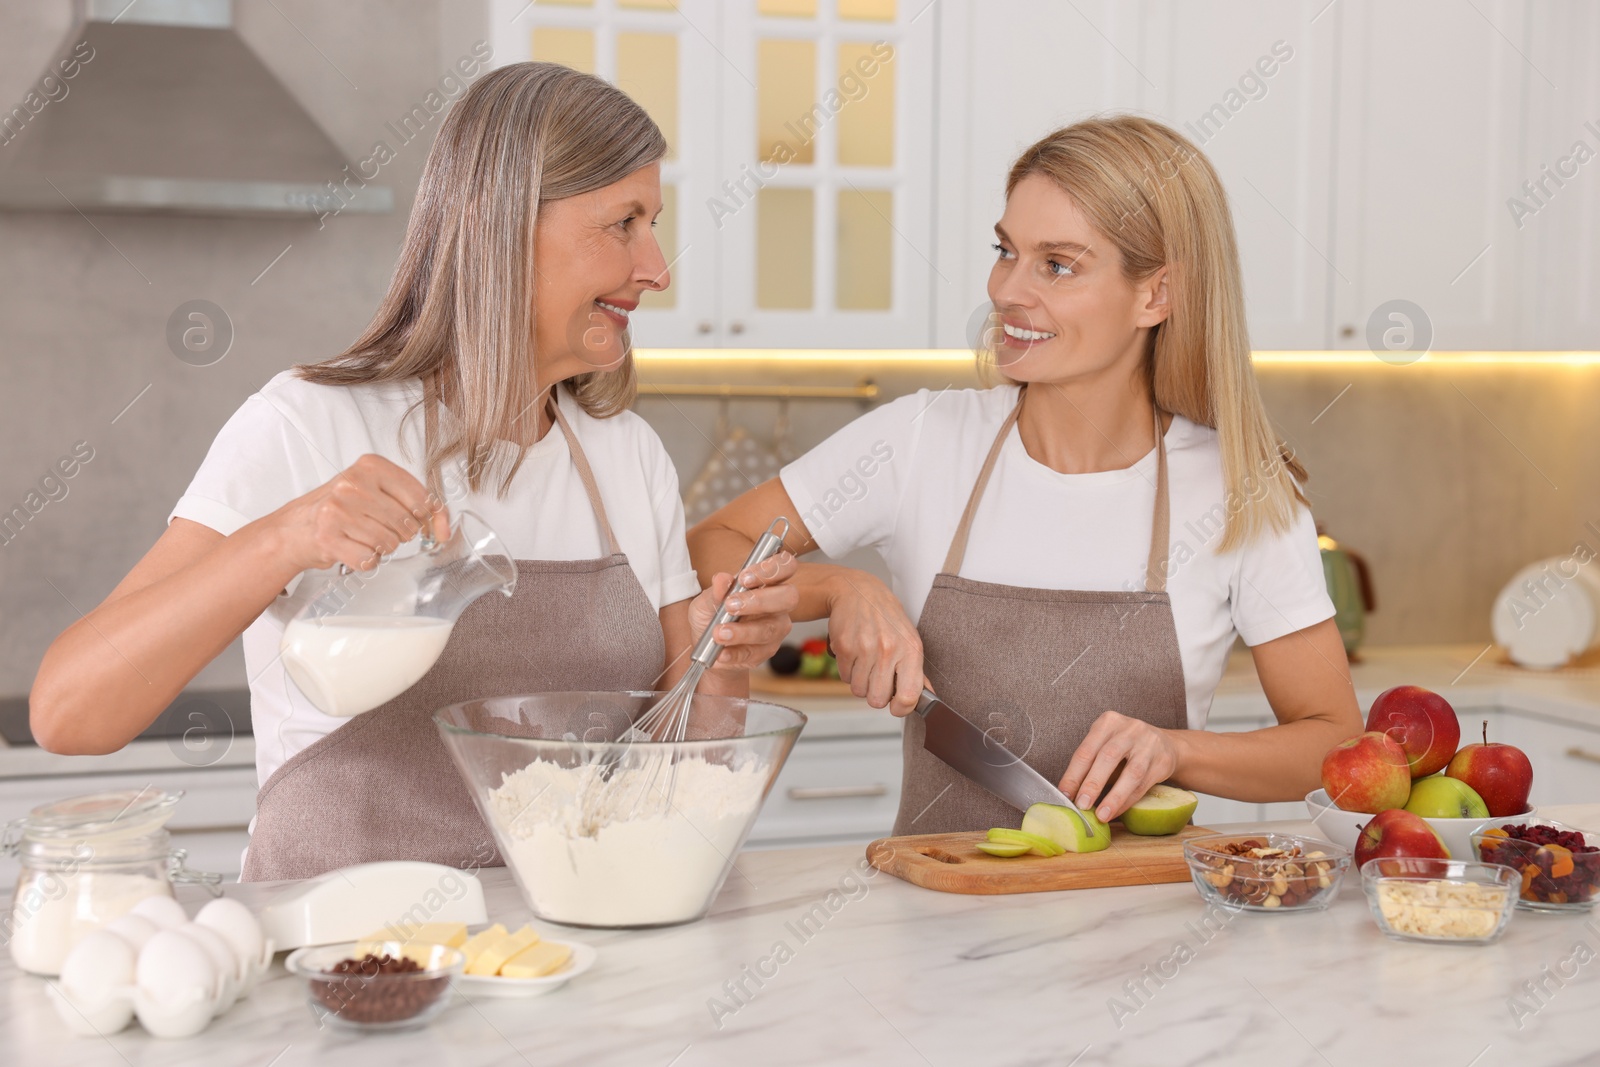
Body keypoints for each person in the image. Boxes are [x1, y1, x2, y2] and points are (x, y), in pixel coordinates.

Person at [31, 63, 798, 879]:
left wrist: (734, 659)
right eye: (623, 223)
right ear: (494, 225)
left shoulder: (627, 457)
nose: (657, 267)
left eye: (655, 223)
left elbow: (684, 761)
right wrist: (283, 538)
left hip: (555, 966)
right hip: (340, 968)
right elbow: (69, 710)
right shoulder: (308, 422)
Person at [689, 116, 1361, 835]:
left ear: (1156, 295)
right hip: (937, 919)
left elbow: (1335, 744)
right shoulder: (921, 439)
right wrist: (839, 587)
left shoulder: (1239, 491)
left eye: (1058, 264)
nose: (1008, 289)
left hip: (1142, 924)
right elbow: (711, 542)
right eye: (1005, 251)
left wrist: (1175, 751)